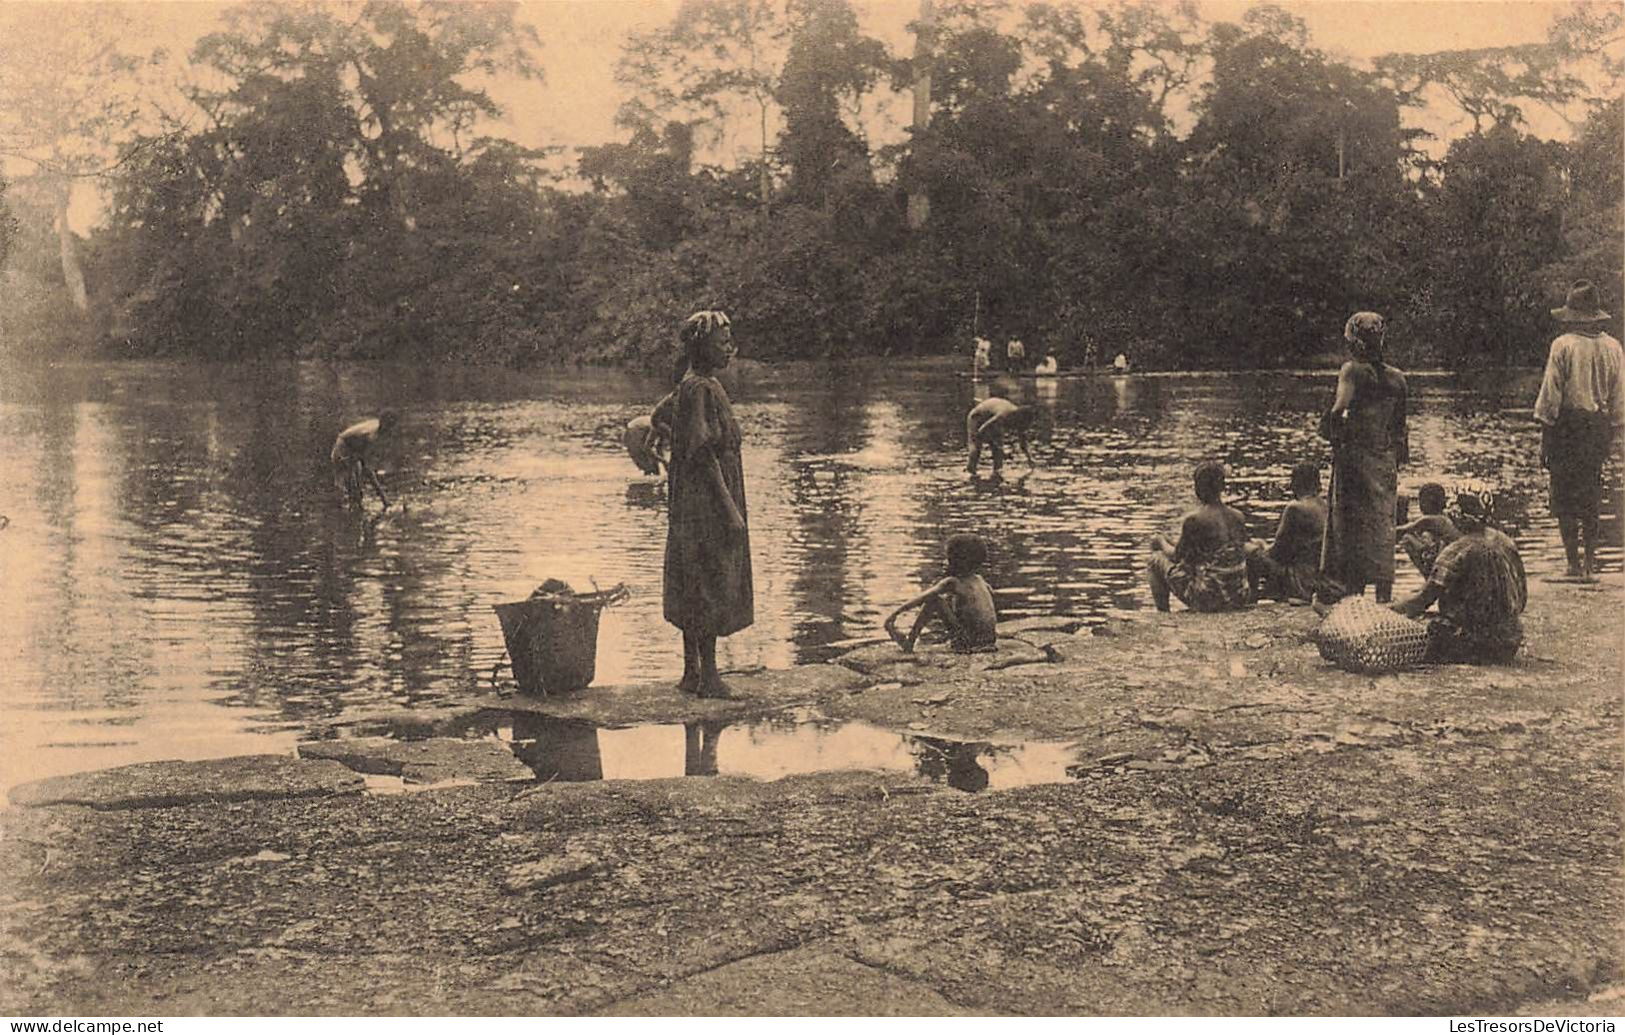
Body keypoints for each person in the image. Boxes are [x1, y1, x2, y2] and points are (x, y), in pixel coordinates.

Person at [663, 310, 754, 698]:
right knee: (710, 576)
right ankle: (710, 677)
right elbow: (702, 453)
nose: (730, 349)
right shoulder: (701, 388)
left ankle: (691, 673)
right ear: (701, 346)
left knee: (692, 573)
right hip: (708, 496)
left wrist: (662, 443)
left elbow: (658, 415)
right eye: (722, 343)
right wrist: (729, 508)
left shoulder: (691, 385)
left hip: (690, 498)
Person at [1533, 280, 1624, 580]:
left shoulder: (1564, 345)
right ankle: (1590, 563)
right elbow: (1619, 399)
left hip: (1567, 427)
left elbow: (1551, 396)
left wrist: (1546, 442)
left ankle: (1573, 564)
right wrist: (1611, 435)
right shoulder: (1613, 347)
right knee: (1590, 494)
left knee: (1563, 496)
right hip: (1598, 427)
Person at [1319, 311, 1408, 603]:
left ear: (1354, 342)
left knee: (1350, 529)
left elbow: (1338, 410)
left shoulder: (1352, 371)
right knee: (1382, 527)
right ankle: (1384, 599)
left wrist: (1333, 437)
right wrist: (1392, 460)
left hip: (1355, 461)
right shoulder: (1398, 378)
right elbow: (1399, 429)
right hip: (1384, 462)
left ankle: (1353, 598)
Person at [1391, 490, 1527, 664]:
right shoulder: (1506, 542)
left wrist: (1387, 609)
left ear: (1457, 514)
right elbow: (1522, 597)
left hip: (1475, 644)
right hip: (1510, 641)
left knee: (1425, 628)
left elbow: (1421, 601)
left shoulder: (1455, 551)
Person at [1147, 461, 1253, 613]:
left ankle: (1163, 613)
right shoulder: (1238, 516)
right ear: (1222, 487)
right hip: (1239, 596)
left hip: (1210, 598)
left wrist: (1161, 541)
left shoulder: (1194, 520)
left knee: (1155, 560)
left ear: (1197, 488)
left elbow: (1176, 556)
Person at [884, 533, 998, 654]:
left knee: (934, 601)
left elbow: (921, 598)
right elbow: (990, 596)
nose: (944, 562)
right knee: (951, 601)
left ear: (957, 561)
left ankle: (910, 642)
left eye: (947, 558)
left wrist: (896, 613)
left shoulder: (952, 582)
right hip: (990, 641)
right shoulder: (980, 580)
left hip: (969, 643)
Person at [1246, 462, 1337, 603]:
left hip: (1303, 580)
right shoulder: (1325, 505)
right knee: (1260, 546)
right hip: (1322, 577)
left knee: (1249, 550)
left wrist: (1261, 548)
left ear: (1295, 483)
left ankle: (1251, 599)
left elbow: (1277, 553)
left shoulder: (1295, 508)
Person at [330, 411, 399, 509]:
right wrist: (383, 497)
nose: (391, 432)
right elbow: (367, 469)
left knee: (357, 486)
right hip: (343, 449)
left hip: (353, 448)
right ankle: (343, 512)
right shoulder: (371, 436)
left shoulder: (376, 426)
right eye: (390, 429)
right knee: (351, 485)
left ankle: (354, 508)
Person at [1396, 482, 1461, 579]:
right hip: (1454, 560)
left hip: (1450, 562)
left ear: (1427, 502)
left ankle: (1431, 577)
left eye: (1421, 501)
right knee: (1425, 536)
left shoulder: (1430, 520)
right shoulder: (1444, 517)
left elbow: (1404, 529)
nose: (1420, 505)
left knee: (1407, 539)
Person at [965, 389, 1036, 476]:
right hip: (977, 417)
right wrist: (984, 440)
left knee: (998, 451)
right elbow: (982, 429)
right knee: (976, 448)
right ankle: (970, 471)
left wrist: (1030, 459)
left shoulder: (1021, 421)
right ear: (1017, 418)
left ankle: (997, 473)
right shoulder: (1004, 414)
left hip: (991, 417)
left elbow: (1023, 443)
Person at [623, 393, 676, 476]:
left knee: (655, 467)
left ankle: (648, 487)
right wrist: (664, 461)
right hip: (633, 432)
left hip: (642, 431)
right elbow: (647, 448)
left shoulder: (664, 429)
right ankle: (646, 485)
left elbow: (659, 448)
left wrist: (664, 463)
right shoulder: (657, 426)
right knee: (650, 468)